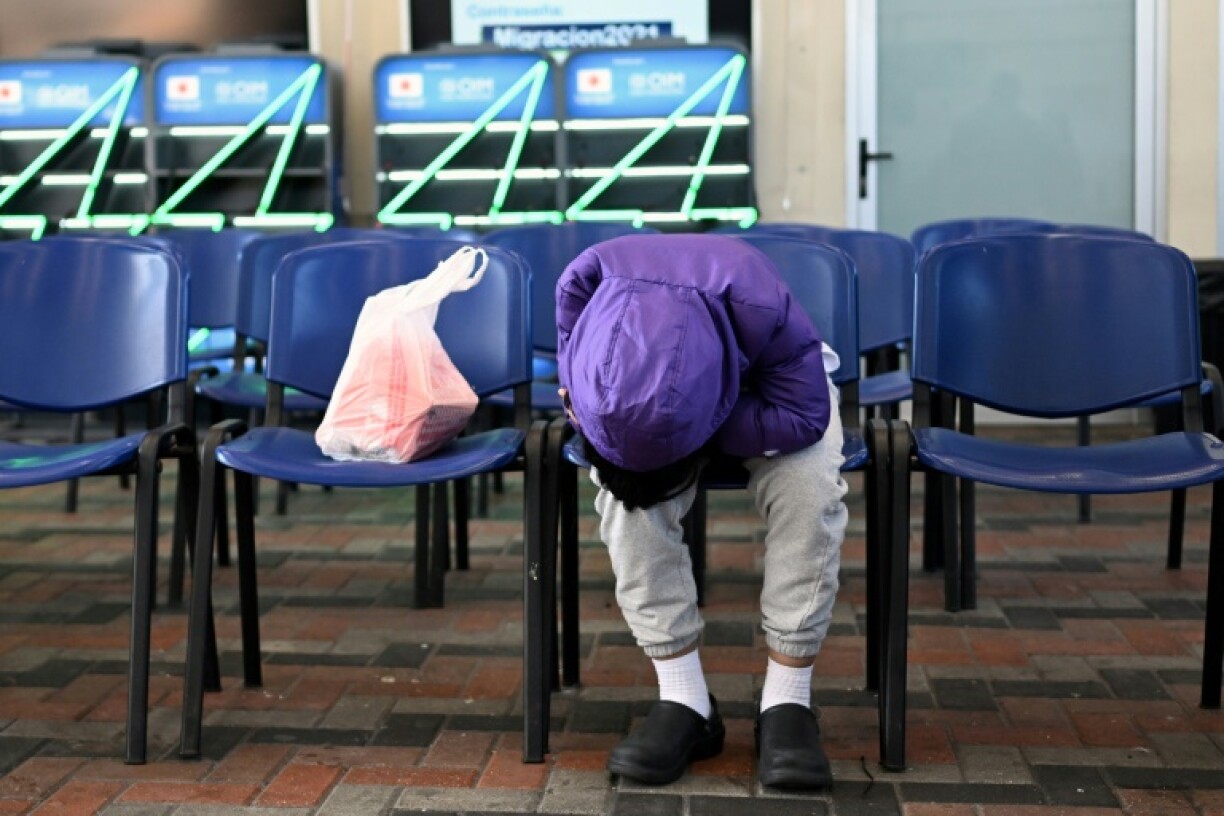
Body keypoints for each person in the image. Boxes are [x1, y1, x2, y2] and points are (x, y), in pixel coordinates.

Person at [555, 233, 849, 790]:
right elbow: (575, 367)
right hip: (644, 390)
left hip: (772, 389)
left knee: (809, 491)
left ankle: (788, 702)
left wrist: (699, 426)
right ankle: (685, 699)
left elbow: (804, 417)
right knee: (627, 500)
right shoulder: (585, 277)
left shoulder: (758, 302)